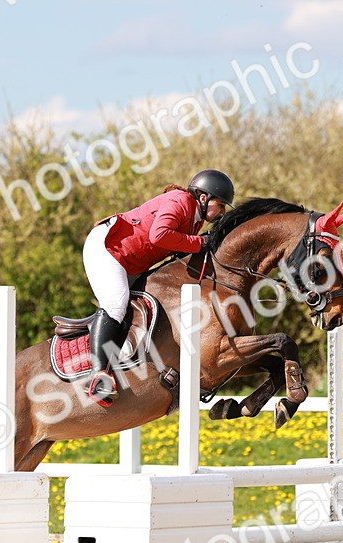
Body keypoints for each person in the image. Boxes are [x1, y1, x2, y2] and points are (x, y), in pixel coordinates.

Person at [82, 169, 235, 406]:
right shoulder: (181, 201)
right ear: (203, 197)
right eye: (221, 204)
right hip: (107, 249)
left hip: (130, 261)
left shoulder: (195, 219)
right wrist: (201, 242)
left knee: (141, 306)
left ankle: (125, 360)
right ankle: (97, 376)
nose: (222, 211)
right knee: (116, 303)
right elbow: (159, 235)